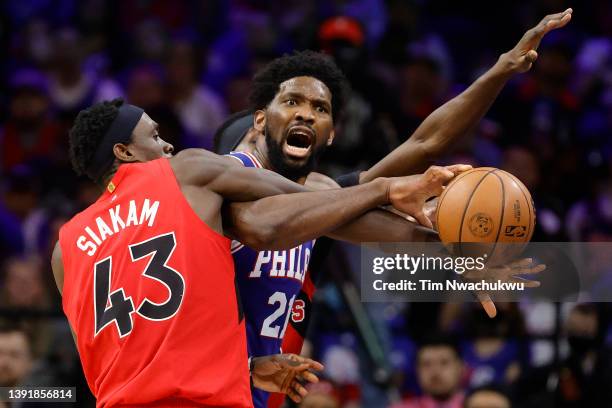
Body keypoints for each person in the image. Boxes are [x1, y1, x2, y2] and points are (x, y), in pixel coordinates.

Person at [213, 8, 571, 407]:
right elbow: (263, 225)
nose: (305, 114)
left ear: (331, 135)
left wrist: (501, 70)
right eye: (292, 102)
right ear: (260, 124)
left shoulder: (322, 198)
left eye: (321, 109)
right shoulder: (216, 185)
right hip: (195, 390)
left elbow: (423, 147)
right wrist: (385, 189)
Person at [51, 99, 460, 407]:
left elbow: (118, 359)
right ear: (124, 152)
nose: (168, 144)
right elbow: (306, 206)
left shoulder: (64, 247)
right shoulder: (184, 173)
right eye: (154, 136)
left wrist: (245, 369)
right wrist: (391, 195)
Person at [392, 337, 465, 408]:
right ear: (417, 370)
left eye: (444, 363)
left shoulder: (474, 405)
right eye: (426, 364)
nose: (435, 371)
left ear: (461, 368)